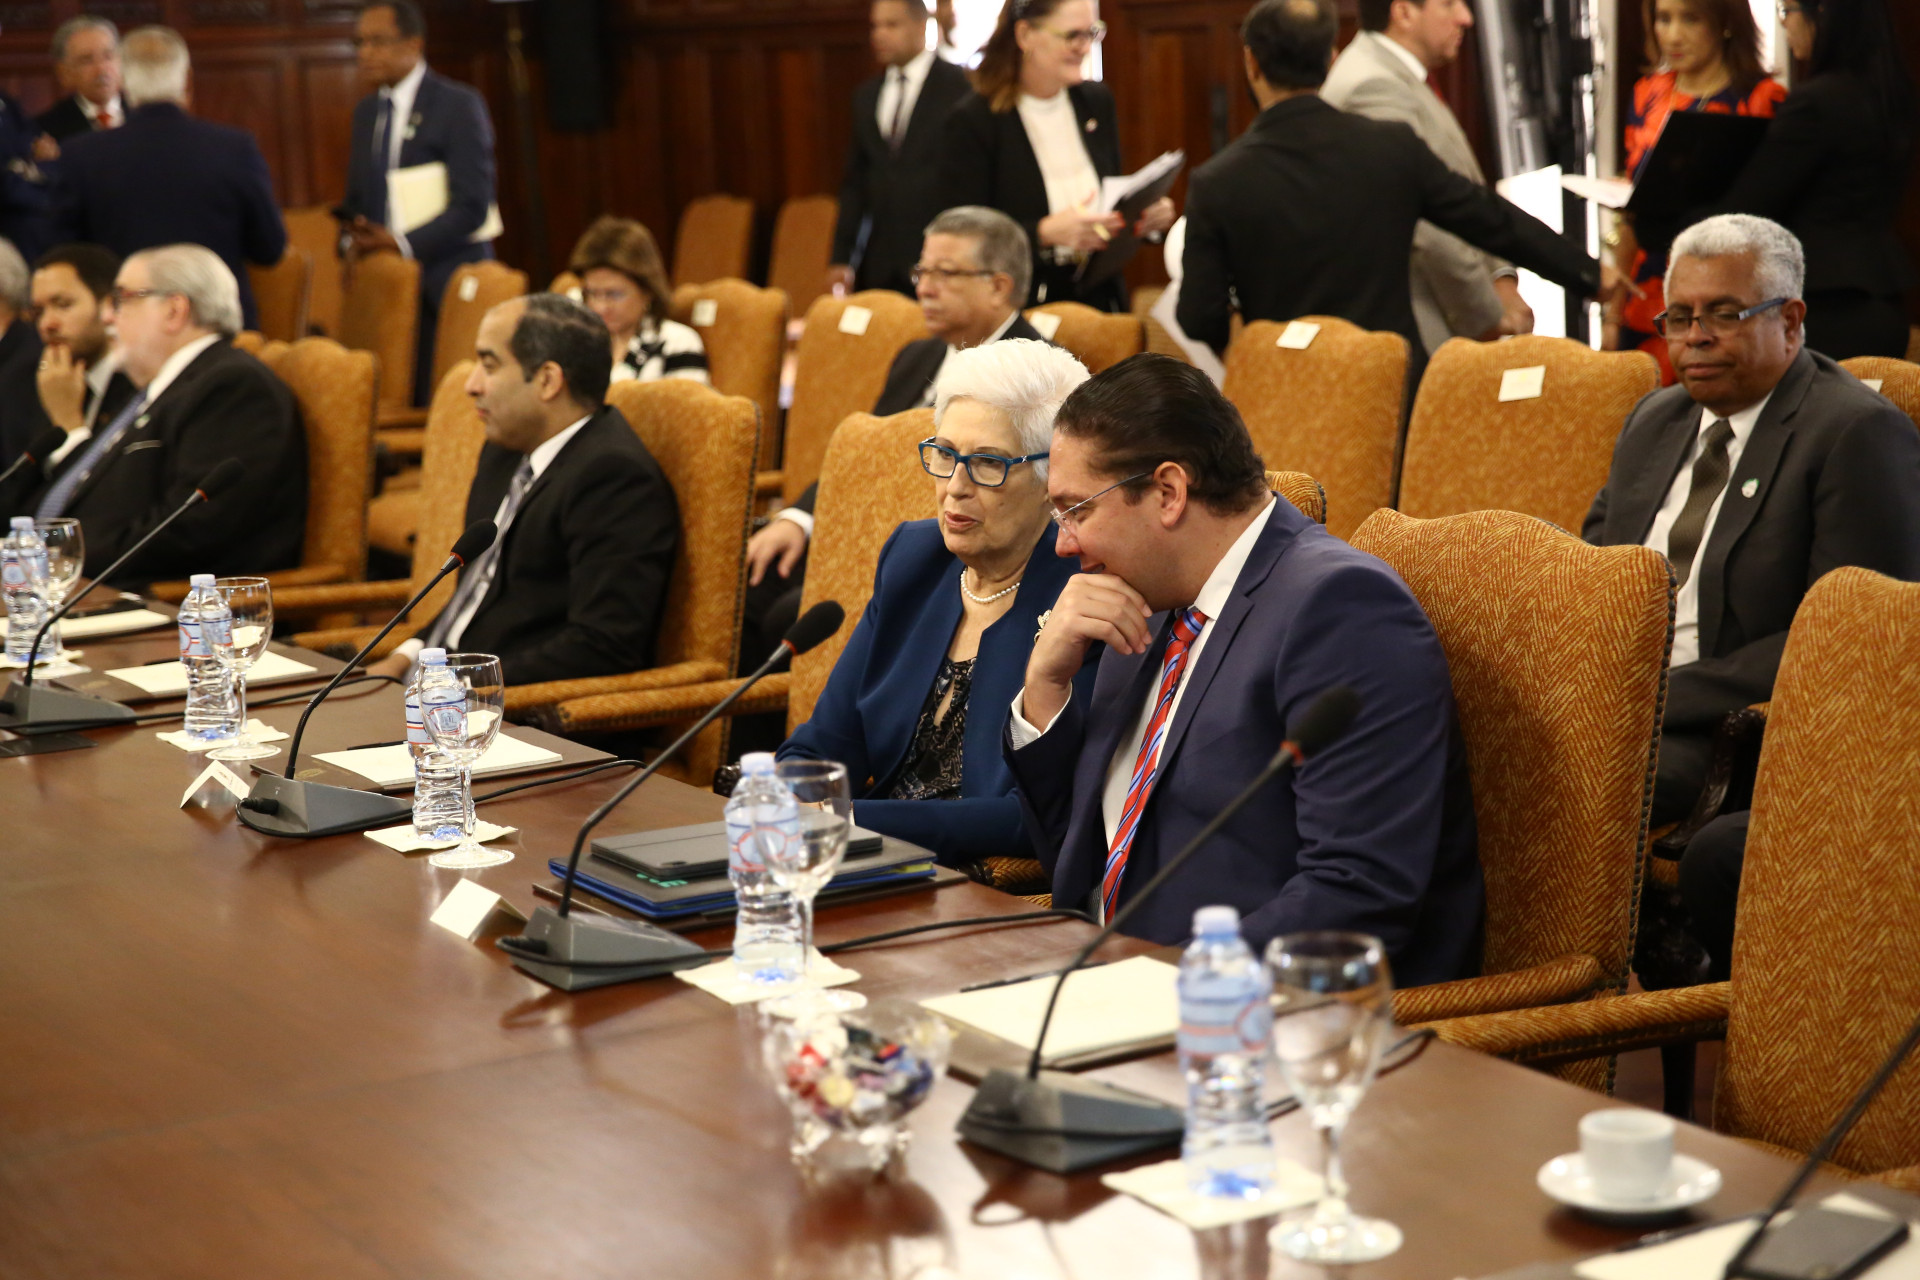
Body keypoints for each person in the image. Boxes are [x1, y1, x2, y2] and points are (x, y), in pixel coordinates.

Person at [1003, 353, 1483, 980]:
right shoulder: (1142, 600)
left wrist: (1162, 983)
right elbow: (1082, 856)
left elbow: (1358, 894)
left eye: (1077, 511)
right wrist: (1045, 686)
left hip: (1244, 1006)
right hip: (1094, 976)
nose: (1064, 544)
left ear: (1168, 493)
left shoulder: (1341, 610)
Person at [1582, 214, 1920, 827]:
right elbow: (1592, 572)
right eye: (1679, 317)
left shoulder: (1854, 432)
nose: (1695, 338)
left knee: (1549, 780)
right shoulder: (1654, 419)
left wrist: (1648, 696)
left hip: (1731, 734)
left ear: (1789, 321)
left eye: (1724, 314)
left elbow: (1846, 638)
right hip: (1612, 705)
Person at [780, 339, 1095, 869]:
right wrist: (784, 805)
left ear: (1053, 480)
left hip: (971, 884)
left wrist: (846, 820)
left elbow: (1034, 814)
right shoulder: (914, 559)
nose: (955, 487)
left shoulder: (1081, 597)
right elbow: (819, 749)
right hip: (855, 860)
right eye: (945, 455)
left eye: (988, 463)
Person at [1179, 0, 1622, 373]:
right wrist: (1584, 273)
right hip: (1391, 388)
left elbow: (1198, 316)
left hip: (1289, 395)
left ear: (1251, 62)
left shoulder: (1215, 182)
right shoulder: (1391, 147)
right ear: (1330, 59)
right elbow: (1489, 218)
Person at [743, 206, 1051, 660]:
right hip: (855, 533)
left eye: (945, 273)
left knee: (786, 617)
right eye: (922, 271)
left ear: (998, 286)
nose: (924, 287)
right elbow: (860, 458)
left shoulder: (1035, 378)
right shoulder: (917, 356)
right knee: (750, 582)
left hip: (944, 552)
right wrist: (798, 519)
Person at [368, 294, 679, 688]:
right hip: (432, 686)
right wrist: (402, 658)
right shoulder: (506, 449)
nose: (471, 385)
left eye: (489, 365)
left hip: (509, 709)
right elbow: (474, 598)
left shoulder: (615, 479)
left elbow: (603, 647)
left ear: (547, 381)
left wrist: (456, 688)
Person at [24, 245, 306, 585]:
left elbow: (189, 529)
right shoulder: (152, 392)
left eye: (122, 299)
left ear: (174, 311)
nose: (108, 317)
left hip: (167, 601)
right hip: (81, 584)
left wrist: (59, 559)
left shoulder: (232, 388)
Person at [1323, 0, 1536, 354]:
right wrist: (1485, 314)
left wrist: (1501, 276)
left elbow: (1466, 191)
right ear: (1403, 13)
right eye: (1449, 3)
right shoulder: (1370, 83)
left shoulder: (1396, 73)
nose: (1465, 18)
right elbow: (1427, 223)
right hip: (1417, 337)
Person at [1706, 0, 1915, 361]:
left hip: (1827, 302)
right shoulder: (1892, 93)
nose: (1785, 24)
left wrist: (1666, 220)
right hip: (1882, 295)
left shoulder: (1816, 103)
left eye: (1787, 11)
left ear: (1821, 14)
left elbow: (1750, 209)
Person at [941, 0, 1175, 311]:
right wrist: (1043, 233)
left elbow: (1108, 203)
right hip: (1020, 306)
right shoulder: (975, 120)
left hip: (1099, 301)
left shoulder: (1095, 102)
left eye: (1091, 33)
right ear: (1025, 35)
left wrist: (1143, 218)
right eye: (1072, 35)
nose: (1084, 47)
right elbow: (964, 236)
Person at [47, 27, 285, 330]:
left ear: (123, 81)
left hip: (123, 333)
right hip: (218, 332)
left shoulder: (80, 156)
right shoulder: (235, 149)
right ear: (186, 80)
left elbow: (63, 257)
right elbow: (269, 249)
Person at [1610, 0, 1784, 381]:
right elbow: (1632, 212)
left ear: (1724, 23)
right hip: (1650, 288)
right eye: (1663, 19)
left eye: (1690, 19)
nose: (1673, 35)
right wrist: (1612, 312)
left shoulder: (1761, 98)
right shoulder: (1647, 94)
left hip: (1729, 292)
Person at [339, 0, 498, 404]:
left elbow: (473, 205)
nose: (365, 53)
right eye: (359, 43)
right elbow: (358, 200)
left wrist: (400, 243)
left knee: (447, 402)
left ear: (413, 44)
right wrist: (351, 238)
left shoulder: (458, 105)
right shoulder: (367, 113)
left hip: (444, 285)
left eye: (377, 41)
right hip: (388, 293)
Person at [829, 0, 974, 297]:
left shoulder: (960, 89)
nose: (879, 34)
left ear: (921, 27)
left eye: (891, 25)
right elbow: (856, 184)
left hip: (939, 262)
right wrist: (842, 258)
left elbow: (969, 183)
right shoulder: (866, 96)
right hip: (879, 265)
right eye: (875, 26)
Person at [567, 216, 708, 386]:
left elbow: (688, 403)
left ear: (647, 290)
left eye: (614, 294)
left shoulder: (677, 343)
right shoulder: (579, 339)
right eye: (593, 293)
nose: (600, 307)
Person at [36, 16, 124, 145]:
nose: (101, 69)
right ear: (64, 72)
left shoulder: (144, 115)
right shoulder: (46, 130)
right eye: (87, 60)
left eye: (108, 56)